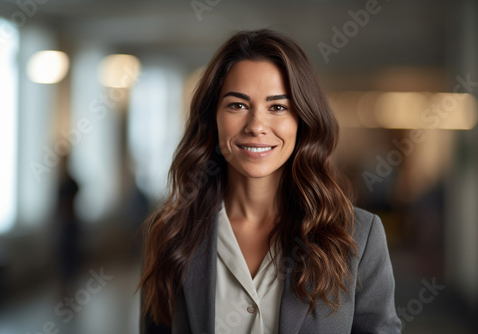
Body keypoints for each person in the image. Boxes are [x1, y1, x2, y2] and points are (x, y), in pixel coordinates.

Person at [138, 29, 402, 334]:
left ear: (302, 120)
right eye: (237, 105)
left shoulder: (358, 237)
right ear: (213, 117)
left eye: (277, 107)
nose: (256, 126)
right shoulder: (171, 232)